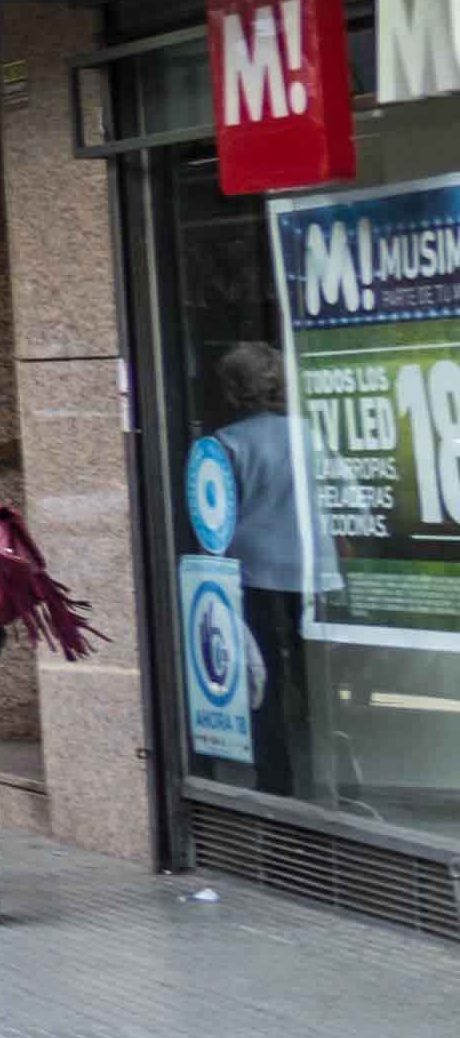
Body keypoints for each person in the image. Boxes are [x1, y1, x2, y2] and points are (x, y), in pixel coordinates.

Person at [196, 341, 308, 797]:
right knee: (307, 673)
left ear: (230, 390)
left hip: (250, 573)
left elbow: (212, 521)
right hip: (308, 570)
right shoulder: (307, 433)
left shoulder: (226, 445)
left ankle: (276, 777)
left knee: (263, 680)